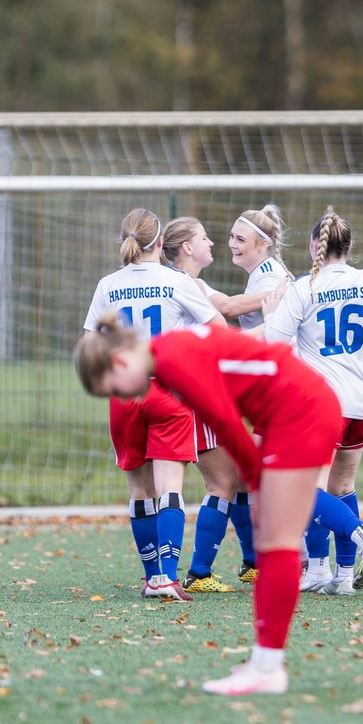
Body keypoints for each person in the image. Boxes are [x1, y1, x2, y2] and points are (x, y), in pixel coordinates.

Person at [75, 316, 363, 695]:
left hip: (301, 411)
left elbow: (225, 422)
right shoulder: (167, 353)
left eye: (114, 391)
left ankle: (268, 667)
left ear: (119, 363)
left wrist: (255, 482)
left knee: (277, 542)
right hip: (292, 408)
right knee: (273, 540)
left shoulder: (171, 362)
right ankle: (265, 663)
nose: (122, 399)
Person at [264, 207, 363, 594]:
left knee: (304, 490)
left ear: (316, 245)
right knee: (343, 486)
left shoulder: (304, 288)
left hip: (320, 405)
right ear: (349, 246)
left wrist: (271, 312)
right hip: (362, 403)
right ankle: (338, 576)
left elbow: (274, 344)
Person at [82, 209, 225, 602]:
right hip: (169, 392)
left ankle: (151, 578)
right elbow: (219, 329)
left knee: (139, 490)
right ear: (161, 243)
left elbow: (92, 345)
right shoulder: (177, 281)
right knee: (170, 488)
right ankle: (166, 575)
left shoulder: (108, 284)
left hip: (125, 395)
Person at [160, 217, 257, 592]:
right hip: (193, 395)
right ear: (186, 247)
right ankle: (199, 573)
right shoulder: (182, 284)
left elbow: (230, 304)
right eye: (204, 236)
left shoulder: (192, 283)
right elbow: (224, 324)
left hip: (201, 393)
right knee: (223, 481)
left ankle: (251, 564)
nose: (212, 242)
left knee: (241, 478)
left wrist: (283, 293)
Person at [225, 204, 291, 330]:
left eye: (240, 239)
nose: (232, 244)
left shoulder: (268, 277)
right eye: (231, 236)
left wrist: (236, 341)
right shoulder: (261, 270)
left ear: (263, 244)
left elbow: (275, 328)